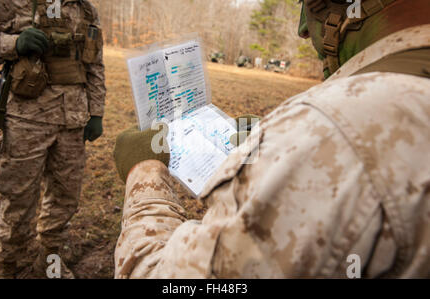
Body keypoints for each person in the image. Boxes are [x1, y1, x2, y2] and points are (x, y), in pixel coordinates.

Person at [113, 0, 429, 278]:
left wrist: (144, 172)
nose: (303, 30)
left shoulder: (330, 130)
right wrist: (274, 146)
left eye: (310, 4)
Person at [0, 0, 106, 278]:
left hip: (73, 122)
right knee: (18, 199)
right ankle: (8, 267)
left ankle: (48, 262)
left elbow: (95, 63)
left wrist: (96, 112)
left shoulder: (85, 8)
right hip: (27, 120)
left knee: (64, 199)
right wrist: (14, 44)